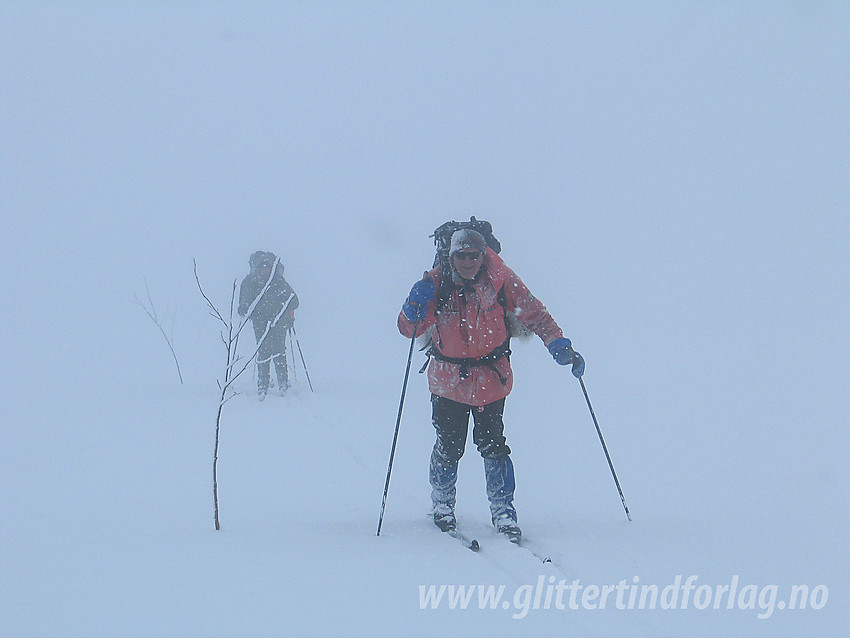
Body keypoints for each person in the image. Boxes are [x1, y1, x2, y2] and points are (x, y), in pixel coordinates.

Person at [397, 228, 584, 542]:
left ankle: (503, 510)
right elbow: (408, 328)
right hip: (448, 382)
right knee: (449, 446)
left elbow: (534, 312)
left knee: (494, 445)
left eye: (474, 255)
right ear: (451, 256)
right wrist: (412, 304)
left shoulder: (500, 279)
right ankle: (442, 504)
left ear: (483, 255)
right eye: (461, 255)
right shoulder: (436, 282)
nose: (468, 261)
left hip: (490, 381)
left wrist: (558, 343)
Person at [238, 251, 299, 400]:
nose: (264, 270)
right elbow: (243, 306)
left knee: (277, 349)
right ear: (257, 268)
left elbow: (295, 301)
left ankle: (281, 382)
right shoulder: (256, 281)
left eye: (267, 267)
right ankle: (264, 384)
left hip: (277, 320)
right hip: (263, 321)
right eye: (262, 268)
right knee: (264, 351)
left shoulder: (277, 281)